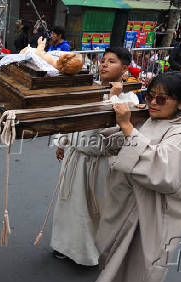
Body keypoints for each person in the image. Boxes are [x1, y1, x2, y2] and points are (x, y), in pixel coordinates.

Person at [93, 72, 181, 282]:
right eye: (150, 96)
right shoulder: (152, 119)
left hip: (152, 215)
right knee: (114, 266)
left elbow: (163, 172)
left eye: (161, 99)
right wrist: (126, 125)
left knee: (137, 273)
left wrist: (129, 128)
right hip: (128, 205)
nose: (152, 102)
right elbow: (123, 146)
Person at [50, 47, 139, 265]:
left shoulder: (131, 98)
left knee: (92, 209)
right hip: (75, 156)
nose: (104, 64)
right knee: (68, 205)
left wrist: (112, 97)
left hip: (100, 163)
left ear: (125, 68)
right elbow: (72, 116)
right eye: (103, 61)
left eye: (112, 61)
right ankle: (64, 245)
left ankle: (88, 253)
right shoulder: (89, 89)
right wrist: (64, 141)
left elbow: (116, 132)